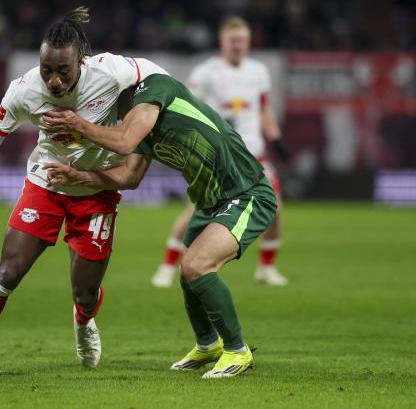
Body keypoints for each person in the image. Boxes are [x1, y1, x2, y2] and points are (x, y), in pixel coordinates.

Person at [0, 7, 167, 378]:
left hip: (95, 187)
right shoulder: (24, 91)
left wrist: (153, 112)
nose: (53, 80)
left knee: (85, 292)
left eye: (62, 71)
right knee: (9, 271)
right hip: (47, 181)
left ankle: (84, 320)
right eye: (46, 69)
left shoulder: (110, 71)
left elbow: (157, 77)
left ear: (80, 62)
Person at [42, 73, 277, 379]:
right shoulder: (143, 131)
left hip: (246, 193)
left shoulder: (156, 86)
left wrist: (78, 125)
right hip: (209, 202)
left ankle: (237, 350)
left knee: (198, 266)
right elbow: (129, 177)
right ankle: (208, 345)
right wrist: (80, 178)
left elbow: (125, 140)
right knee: (188, 272)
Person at [151, 16, 289, 288]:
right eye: (233, 40)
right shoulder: (206, 73)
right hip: (220, 157)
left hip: (254, 157)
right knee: (195, 211)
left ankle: (266, 268)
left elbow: (262, 107)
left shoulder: (258, 72)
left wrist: (276, 137)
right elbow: (186, 108)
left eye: (243, 41)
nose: (238, 45)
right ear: (222, 42)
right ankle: (167, 265)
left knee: (274, 210)